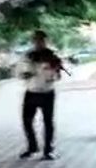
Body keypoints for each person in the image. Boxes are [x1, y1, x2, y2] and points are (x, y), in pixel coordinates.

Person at [18, 30, 63, 160]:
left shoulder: (52, 55)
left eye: (41, 40)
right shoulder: (27, 55)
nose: (38, 43)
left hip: (47, 92)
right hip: (31, 91)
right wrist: (24, 75)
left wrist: (54, 72)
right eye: (36, 40)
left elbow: (59, 74)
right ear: (33, 41)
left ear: (45, 41)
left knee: (48, 122)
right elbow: (20, 72)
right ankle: (32, 147)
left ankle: (48, 150)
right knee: (27, 121)